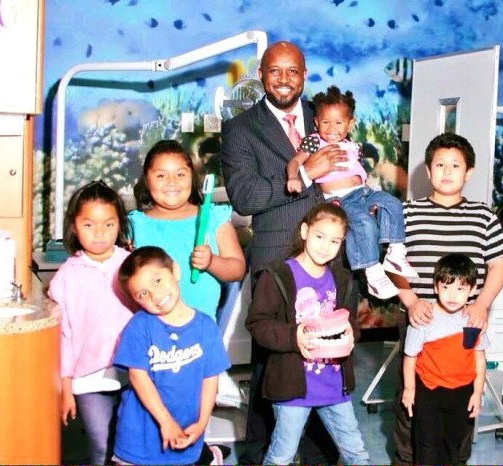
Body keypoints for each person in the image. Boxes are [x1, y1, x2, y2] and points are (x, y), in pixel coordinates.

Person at [221, 40, 350, 464]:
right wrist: (305, 175)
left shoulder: (326, 116)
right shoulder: (241, 129)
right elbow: (245, 196)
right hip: (277, 265)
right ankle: (261, 457)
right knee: (272, 364)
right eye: (274, 70)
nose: (283, 79)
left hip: (330, 259)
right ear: (261, 75)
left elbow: (348, 171)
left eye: (292, 71)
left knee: (327, 358)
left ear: (304, 75)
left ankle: (318, 457)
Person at [390, 132, 503, 464]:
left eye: (455, 165)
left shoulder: (484, 216)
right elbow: (394, 267)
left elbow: (499, 266)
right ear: (427, 171)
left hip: (466, 323)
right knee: (411, 403)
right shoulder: (408, 213)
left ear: (468, 172)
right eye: (439, 164)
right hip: (421, 322)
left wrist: (481, 304)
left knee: (460, 406)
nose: (446, 171)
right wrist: (411, 301)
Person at [245, 203, 370, 465]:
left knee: (356, 451)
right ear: (304, 231)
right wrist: (294, 336)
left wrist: (351, 333)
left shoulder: (343, 279)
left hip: (334, 385)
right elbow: (258, 324)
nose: (326, 246)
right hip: (292, 387)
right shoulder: (277, 275)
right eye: (319, 236)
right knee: (282, 455)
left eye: (335, 241)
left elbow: (350, 323)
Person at [286, 85, 417, 299]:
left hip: (363, 192)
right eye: (325, 122)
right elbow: (295, 161)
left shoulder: (353, 145)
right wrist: (293, 176)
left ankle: (396, 251)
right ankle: (372, 271)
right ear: (317, 122)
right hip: (341, 199)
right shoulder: (314, 142)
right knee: (363, 222)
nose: (331, 128)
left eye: (338, 123)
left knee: (391, 203)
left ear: (350, 124)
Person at [112, 246, 230, 465]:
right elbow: (138, 377)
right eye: (142, 294)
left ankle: (210, 455)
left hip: (185, 431)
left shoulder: (205, 327)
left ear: (175, 271)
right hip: (139, 437)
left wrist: (203, 421)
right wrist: (165, 422)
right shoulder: (139, 326)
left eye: (157, 281)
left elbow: (210, 380)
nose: (155, 296)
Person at [48, 180, 134, 465]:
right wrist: (65, 387)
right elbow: (64, 337)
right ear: (74, 225)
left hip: (134, 375)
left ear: (119, 225)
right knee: (100, 447)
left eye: (108, 225)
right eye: (89, 225)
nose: (99, 233)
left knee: (131, 449)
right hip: (87, 380)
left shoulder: (134, 266)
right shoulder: (65, 278)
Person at [130, 139, 246, 321]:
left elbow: (237, 269)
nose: (172, 183)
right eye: (161, 176)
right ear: (146, 178)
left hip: (201, 333)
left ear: (192, 177)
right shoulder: (136, 225)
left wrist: (211, 262)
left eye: (180, 175)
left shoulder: (214, 218)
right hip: (151, 334)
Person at [402, 254, 488, 464]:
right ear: (435, 286)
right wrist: (410, 389)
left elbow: (479, 359)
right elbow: (410, 357)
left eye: (460, 289)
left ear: (472, 289)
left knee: (453, 444)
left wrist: (477, 392)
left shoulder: (473, 319)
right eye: (446, 287)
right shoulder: (423, 317)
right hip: (428, 392)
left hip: (462, 392)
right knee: (427, 443)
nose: (452, 295)